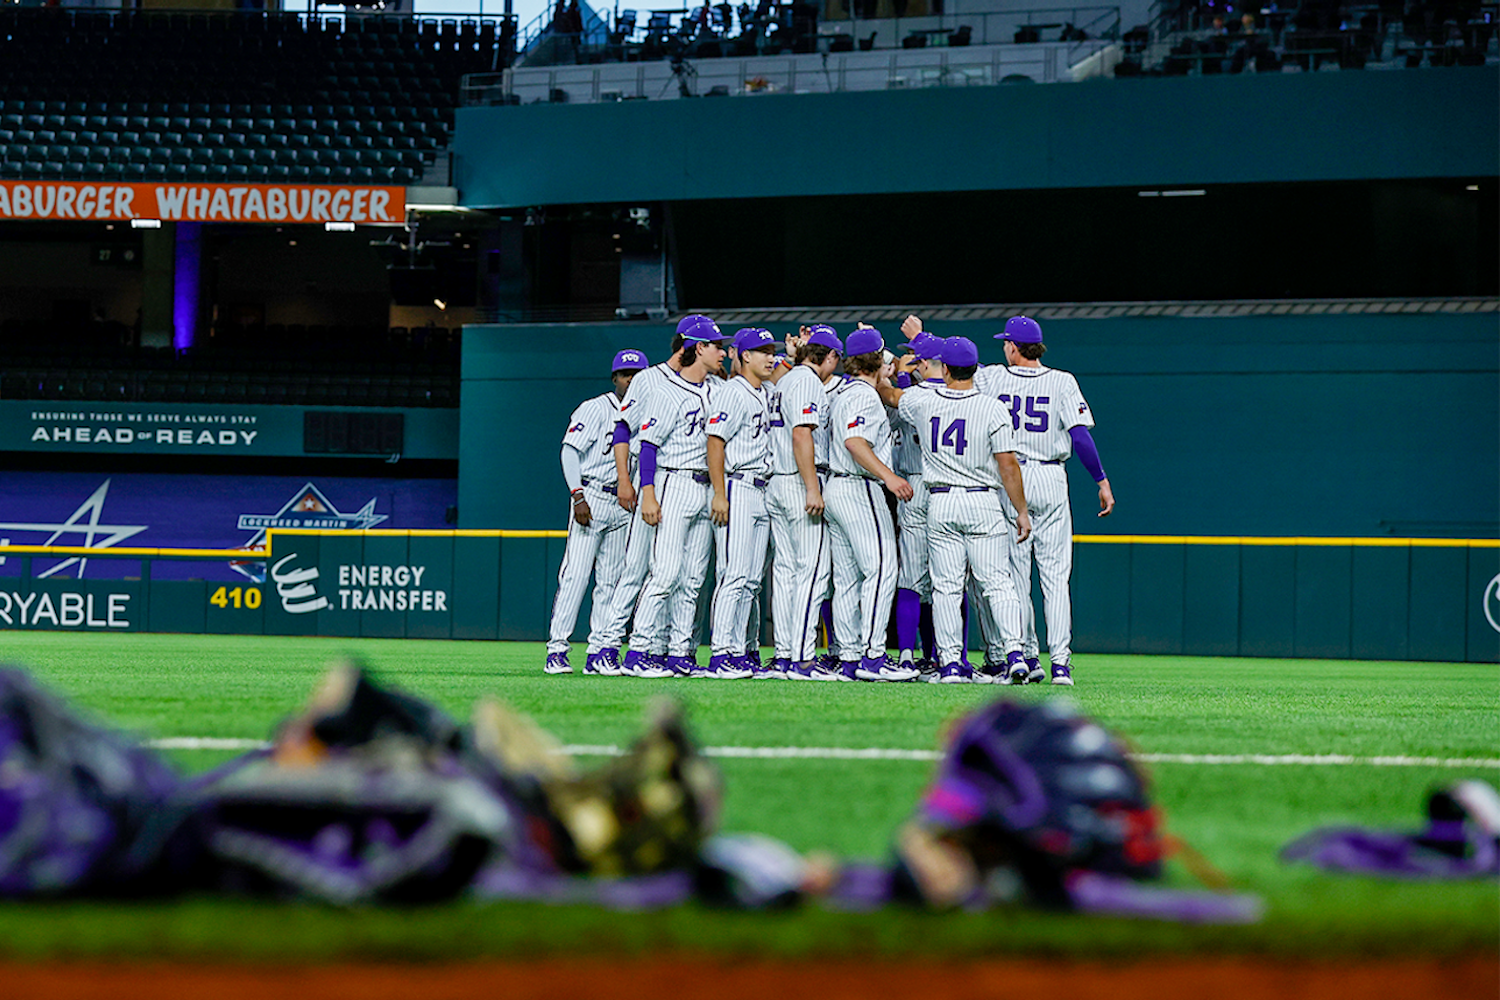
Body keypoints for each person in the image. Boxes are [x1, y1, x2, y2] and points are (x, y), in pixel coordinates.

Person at [878, 335, 1032, 683]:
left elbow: (889, 395)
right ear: (974, 369)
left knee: (945, 586)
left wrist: (886, 371)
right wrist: (1021, 510)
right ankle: (1015, 654)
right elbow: (1008, 463)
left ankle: (949, 664)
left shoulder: (922, 401)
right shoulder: (992, 406)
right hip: (982, 500)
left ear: (944, 368)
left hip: (941, 501)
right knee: (998, 583)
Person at [974, 315, 1114, 686]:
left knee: (1016, 576)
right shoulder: (1063, 381)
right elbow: (1080, 437)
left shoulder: (993, 378)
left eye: (1006, 342)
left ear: (1016, 348)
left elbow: (956, 363)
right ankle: (1062, 666)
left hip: (1012, 477)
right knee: (1055, 581)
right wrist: (1100, 479)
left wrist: (920, 335)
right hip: (1051, 476)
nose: (1004, 347)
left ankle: (1025, 656)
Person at [595, 317, 699, 678]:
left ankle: (660, 650)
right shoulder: (648, 378)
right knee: (637, 567)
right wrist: (626, 479)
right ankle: (605, 647)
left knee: (678, 573)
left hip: (678, 478)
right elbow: (623, 429)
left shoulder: (706, 382)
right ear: (689, 344)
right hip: (646, 473)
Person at [629, 319, 731, 676]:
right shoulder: (664, 390)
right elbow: (647, 448)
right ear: (698, 347)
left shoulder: (718, 389)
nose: (722, 352)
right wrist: (649, 495)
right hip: (673, 482)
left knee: (692, 579)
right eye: (717, 345)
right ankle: (638, 651)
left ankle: (679, 654)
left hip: (706, 487)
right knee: (665, 574)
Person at [544, 349, 650, 676]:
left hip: (624, 504)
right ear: (615, 378)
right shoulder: (594, 408)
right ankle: (557, 649)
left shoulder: (648, 411)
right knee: (575, 576)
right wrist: (577, 495)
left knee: (611, 581)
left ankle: (599, 652)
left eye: (636, 374)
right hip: (591, 494)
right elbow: (569, 452)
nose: (630, 379)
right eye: (625, 374)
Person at [824, 326, 920, 682]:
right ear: (877, 360)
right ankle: (873, 656)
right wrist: (889, 477)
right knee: (882, 570)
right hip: (859, 486)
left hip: (838, 486)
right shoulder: (864, 396)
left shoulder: (847, 390)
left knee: (848, 577)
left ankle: (849, 655)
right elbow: (855, 442)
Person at [765, 325, 843, 680]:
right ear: (827, 357)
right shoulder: (809, 382)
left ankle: (784, 654)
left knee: (785, 573)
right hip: (799, 482)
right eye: (834, 358)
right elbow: (801, 434)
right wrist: (812, 487)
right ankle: (801, 658)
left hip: (777, 482)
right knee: (812, 572)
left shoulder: (785, 381)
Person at [705, 328, 778, 678]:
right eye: (762, 351)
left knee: (751, 579)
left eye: (772, 351)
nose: (770, 357)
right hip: (736, 485)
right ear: (744, 355)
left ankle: (742, 650)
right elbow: (715, 443)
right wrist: (719, 493)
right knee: (733, 575)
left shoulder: (766, 392)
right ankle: (721, 653)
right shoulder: (732, 392)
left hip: (762, 488)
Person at [887, 330, 947, 675]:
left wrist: (897, 372)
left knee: (911, 577)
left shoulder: (910, 395)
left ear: (924, 362)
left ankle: (908, 654)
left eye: (913, 356)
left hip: (913, 484)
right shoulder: (964, 393)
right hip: (947, 486)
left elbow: (890, 394)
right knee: (948, 578)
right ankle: (945, 654)